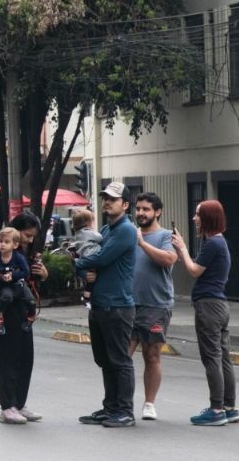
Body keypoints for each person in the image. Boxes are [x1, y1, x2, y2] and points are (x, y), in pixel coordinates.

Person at [172, 199, 239, 426]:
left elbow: (193, 271)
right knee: (223, 357)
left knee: (212, 357)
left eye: (198, 214)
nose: (194, 218)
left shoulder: (212, 244)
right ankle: (229, 407)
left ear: (208, 218)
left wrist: (181, 248)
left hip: (209, 306)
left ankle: (217, 409)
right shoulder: (219, 243)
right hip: (219, 305)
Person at [76, 182, 138, 428]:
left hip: (118, 305)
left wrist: (79, 265)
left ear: (124, 204)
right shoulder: (106, 229)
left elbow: (100, 259)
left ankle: (124, 410)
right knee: (104, 359)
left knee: (119, 360)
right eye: (105, 198)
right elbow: (93, 262)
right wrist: (86, 269)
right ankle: (110, 407)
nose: (107, 202)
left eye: (113, 199)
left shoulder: (125, 230)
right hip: (100, 304)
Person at [0, 213, 48, 424]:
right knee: (8, 356)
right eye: (27, 235)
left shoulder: (24, 253)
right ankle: (7, 406)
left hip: (22, 305)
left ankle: (19, 403)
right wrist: (9, 276)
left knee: (25, 356)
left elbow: (29, 279)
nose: (30, 240)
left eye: (33, 237)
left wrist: (42, 274)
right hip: (2, 305)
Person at [128, 193, 177, 421]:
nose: (141, 213)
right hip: (127, 303)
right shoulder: (129, 234)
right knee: (122, 355)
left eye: (146, 209)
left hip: (156, 304)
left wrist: (142, 243)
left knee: (152, 355)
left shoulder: (166, 235)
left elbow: (169, 259)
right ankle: (120, 401)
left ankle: (149, 403)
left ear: (157, 211)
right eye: (138, 209)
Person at [0, 228, 36, 335]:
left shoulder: (18, 258)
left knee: (31, 301)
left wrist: (13, 276)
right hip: (6, 286)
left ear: (15, 245)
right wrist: (1, 278)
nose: (2, 244)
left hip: (19, 284)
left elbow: (26, 273)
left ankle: (31, 316)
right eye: (1, 241)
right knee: (6, 297)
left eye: (6, 242)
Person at [70, 209, 102, 308]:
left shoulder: (77, 234)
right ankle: (87, 297)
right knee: (95, 277)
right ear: (88, 222)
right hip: (93, 256)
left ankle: (86, 296)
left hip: (85, 257)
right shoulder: (88, 232)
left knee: (91, 280)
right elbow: (99, 237)